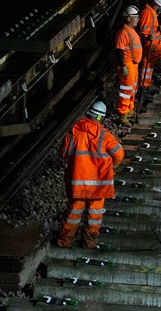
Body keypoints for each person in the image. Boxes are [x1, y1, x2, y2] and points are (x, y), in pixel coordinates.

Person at [55, 99, 125, 249]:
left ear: (88, 114)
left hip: (78, 183)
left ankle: (64, 242)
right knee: (94, 216)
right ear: (100, 118)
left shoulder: (73, 132)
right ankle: (89, 243)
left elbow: (63, 153)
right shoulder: (104, 136)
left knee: (73, 214)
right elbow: (119, 154)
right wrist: (112, 166)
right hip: (98, 186)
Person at [114, 5, 142, 125]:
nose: (138, 19)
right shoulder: (123, 32)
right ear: (129, 18)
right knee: (126, 90)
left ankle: (129, 108)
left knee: (132, 88)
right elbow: (119, 50)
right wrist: (123, 66)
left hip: (133, 65)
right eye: (136, 17)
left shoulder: (130, 31)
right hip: (127, 65)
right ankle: (123, 115)